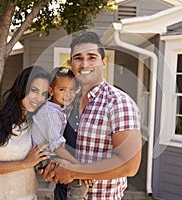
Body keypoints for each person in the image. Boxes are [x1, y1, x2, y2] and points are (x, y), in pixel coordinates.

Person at [41, 31, 142, 199]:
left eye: (92, 57)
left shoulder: (119, 103)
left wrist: (74, 172)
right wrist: (52, 169)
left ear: (103, 62)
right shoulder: (68, 100)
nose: (84, 64)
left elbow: (129, 164)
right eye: (78, 58)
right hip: (61, 194)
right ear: (71, 63)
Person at [0, 66, 51, 200]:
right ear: (22, 87)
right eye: (34, 90)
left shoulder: (37, 126)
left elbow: (42, 162)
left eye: (44, 94)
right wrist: (24, 163)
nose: (39, 98)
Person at [31, 66, 88, 200]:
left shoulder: (59, 109)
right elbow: (57, 145)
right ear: (51, 91)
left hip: (52, 153)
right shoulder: (49, 112)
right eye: (62, 90)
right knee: (78, 179)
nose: (68, 94)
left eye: (72, 90)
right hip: (44, 157)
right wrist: (79, 167)